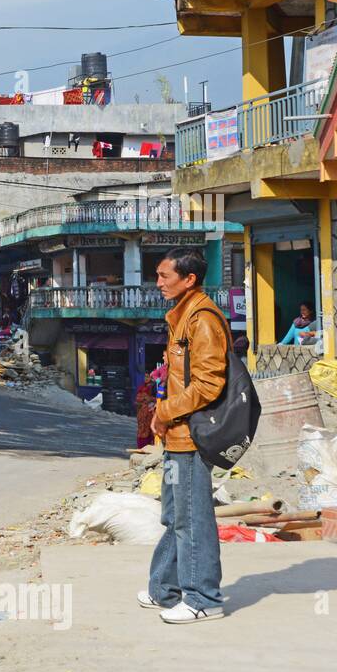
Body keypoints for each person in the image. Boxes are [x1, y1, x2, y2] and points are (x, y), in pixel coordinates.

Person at [142, 248, 228, 625]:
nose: (158, 283)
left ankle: (204, 598)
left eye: (164, 276)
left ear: (188, 279)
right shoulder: (181, 315)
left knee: (192, 519)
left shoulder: (203, 319)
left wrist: (165, 411)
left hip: (192, 440)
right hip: (175, 438)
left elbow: (209, 383)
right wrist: (164, 415)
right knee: (175, 515)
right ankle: (165, 588)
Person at [135, 371, 159, 449]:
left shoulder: (153, 387)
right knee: (142, 429)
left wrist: (149, 399)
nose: (145, 378)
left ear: (150, 377)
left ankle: (149, 446)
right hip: (141, 412)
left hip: (150, 411)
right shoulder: (141, 386)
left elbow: (157, 398)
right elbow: (137, 399)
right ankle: (141, 447)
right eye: (144, 377)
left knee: (149, 429)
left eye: (147, 377)